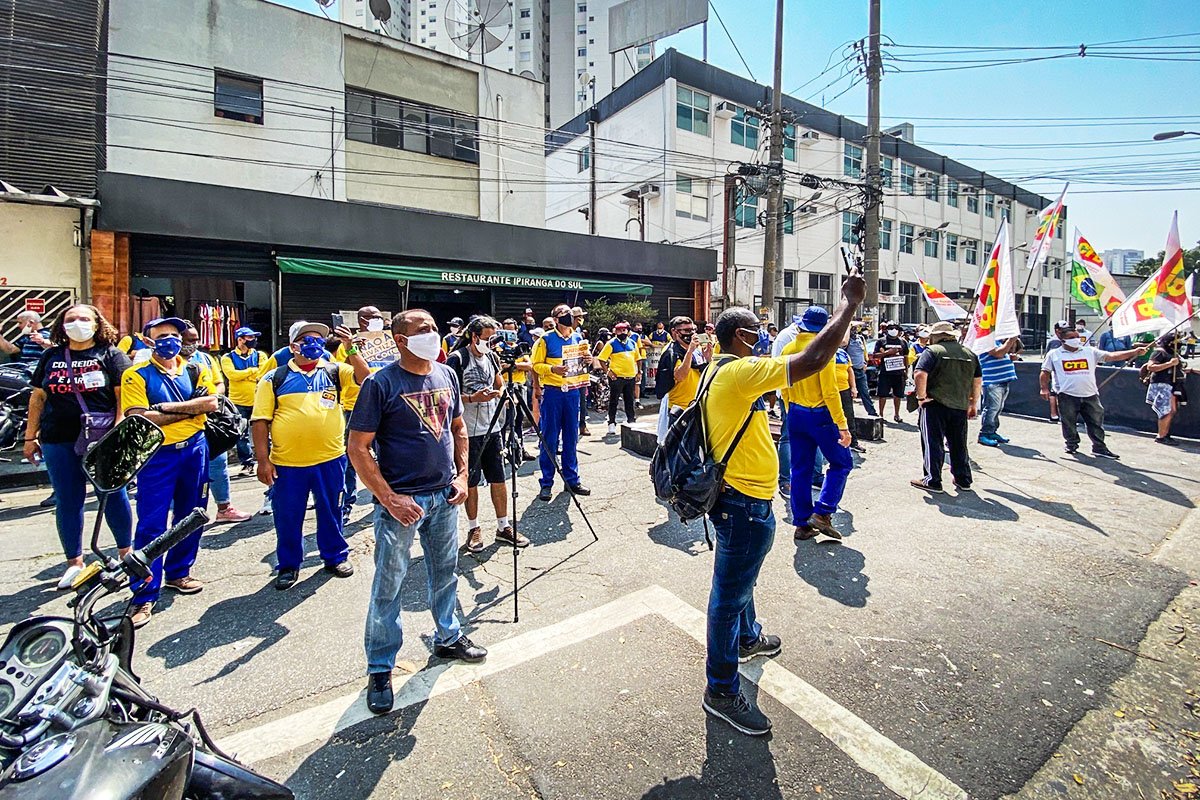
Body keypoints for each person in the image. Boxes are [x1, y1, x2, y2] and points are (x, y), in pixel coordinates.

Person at [699, 272, 864, 737]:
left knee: (739, 577)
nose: (765, 338)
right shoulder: (738, 370)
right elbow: (812, 359)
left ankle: (748, 640)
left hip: (737, 498)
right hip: (742, 503)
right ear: (740, 336)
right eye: (758, 331)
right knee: (727, 598)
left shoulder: (716, 367)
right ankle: (721, 689)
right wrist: (847, 305)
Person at [348, 309, 487, 715]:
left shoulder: (446, 375)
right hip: (402, 504)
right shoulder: (380, 383)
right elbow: (358, 448)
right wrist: (390, 498)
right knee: (389, 585)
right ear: (400, 339)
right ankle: (380, 666)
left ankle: (448, 636)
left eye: (435, 327)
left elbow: (457, 429)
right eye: (422, 329)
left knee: (446, 573)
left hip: (444, 497)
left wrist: (462, 478)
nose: (433, 333)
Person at [120, 317, 220, 628]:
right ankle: (144, 593)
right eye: (162, 335)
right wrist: (190, 407)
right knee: (152, 523)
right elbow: (141, 420)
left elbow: (212, 402)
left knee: (191, 516)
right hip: (158, 455)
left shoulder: (194, 367)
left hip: (195, 449)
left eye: (174, 335)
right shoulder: (136, 375)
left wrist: (165, 408)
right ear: (148, 341)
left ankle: (180, 572)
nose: (170, 340)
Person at [24, 304, 133, 589]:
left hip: (102, 439)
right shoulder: (51, 356)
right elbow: (38, 398)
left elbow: (124, 398)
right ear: (61, 325)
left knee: (112, 495)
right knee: (67, 500)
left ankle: (126, 553)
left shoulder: (111, 355)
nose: (78, 323)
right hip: (57, 438)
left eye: (85, 319)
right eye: (71, 319)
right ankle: (74, 562)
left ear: (97, 324)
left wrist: (118, 432)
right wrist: (29, 436)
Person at [253, 321, 368, 589]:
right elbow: (259, 422)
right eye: (306, 339)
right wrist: (262, 460)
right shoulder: (274, 378)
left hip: (330, 459)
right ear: (293, 346)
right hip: (288, 463)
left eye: (319, 339)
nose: (313, 343)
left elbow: (364, 378)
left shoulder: (334, 371)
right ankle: (289, 565)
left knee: (332, 510)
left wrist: (350, 349)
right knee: (288, 515)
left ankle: (335, 556)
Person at [446, 316, 529, 552]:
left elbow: (499, 381)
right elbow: (448, 397)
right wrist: (473, 398)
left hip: (492, 427)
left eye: (494, 338)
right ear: (474, 337)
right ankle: (474, 527)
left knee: (498, 477)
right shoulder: (457, 359)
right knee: (471, 481)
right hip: (466, 430)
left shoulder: (492, 356)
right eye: (487, 338)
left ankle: (503, 526)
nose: (491, 343)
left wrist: (504, 395)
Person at [780, 306, 854, 539]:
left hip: (796, 412)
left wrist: (790, 407)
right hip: (820, 414)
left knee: (799, 469)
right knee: (842, 463)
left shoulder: (788, 348)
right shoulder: (824, 351)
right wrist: (842, 425)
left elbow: (784, 384)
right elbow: (830, 392)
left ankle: (802, 523)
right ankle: (823, 511)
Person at [332, 306, 396, 526]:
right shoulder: (347, 343)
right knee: (353, 456)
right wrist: (352, 348)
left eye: (379, 317)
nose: (376, 321)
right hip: (355, 404)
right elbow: (350, 371)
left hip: (385, 403)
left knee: (386, 453)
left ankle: (384, 496)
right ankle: (347, 503)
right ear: (361, 321)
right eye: (371, 318)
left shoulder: (389, 340)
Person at [1039, 327, 1147, 458]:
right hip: (1067, 395)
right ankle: (1071, 444)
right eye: (1072, 337)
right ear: (1063, 340)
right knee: (1068, 422)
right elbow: (1045, 372)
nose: (1076, 340)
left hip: (1090, 394)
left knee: (1095, 422)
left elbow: (1111, 356)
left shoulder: (1089, 351)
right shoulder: (1054, 354)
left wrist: (1134, 352)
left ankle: (1099, 447)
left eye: (1077, 336)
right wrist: (1044, 388)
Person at [183, 322, 250, 523]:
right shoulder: (167, 362)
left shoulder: (205, 358)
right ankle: (184, 517)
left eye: (196, 340)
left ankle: (224, 508)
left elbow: (220, 383)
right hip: (180, 426)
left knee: (217, 464)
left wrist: (210, 396)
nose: (194, 344)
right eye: (189, 340)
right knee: (186, 472)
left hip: (209, 422)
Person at [910, 322, 982, 493]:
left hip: (935, 404)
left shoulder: (933, 351)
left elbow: (920, 374)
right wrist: (973, 404)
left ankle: (932, 480)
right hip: (960, 405)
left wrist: (920, 398)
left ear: (936, 336)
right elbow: (977, 381)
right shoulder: (970, 354)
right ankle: (963, 479)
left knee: (933, 443)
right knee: (958, 443)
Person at [530, 303, 591, 501]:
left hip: (573, 391)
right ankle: (546, 482)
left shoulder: (577, 338)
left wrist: (588, 360)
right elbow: (535, 365)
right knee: (549, 437)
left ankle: (572, 480)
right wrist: (552, 370)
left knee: (572, 437)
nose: (568, 316)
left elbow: (583, 362)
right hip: (554, 392)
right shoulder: (545, 340)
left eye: (570, 313)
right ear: (555, 319)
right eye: (563, 314)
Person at [220, 326, 268, 477]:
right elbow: (232, 375)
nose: (253, 340)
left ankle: (267, 460)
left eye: (253, 337)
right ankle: (247, 463)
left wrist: (245, 374)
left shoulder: (260, 355)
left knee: (265, 431)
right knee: (241, 434)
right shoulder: (227, 357)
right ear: (240, 340)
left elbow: (264, 373)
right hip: (238, 402)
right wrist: (252, 371)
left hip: (259, 400)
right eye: (249, 338)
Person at [655, 316, 710, 442]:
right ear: (674, 332)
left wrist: (708, 358)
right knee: (678, 452)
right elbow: (680, 376)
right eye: (686, 330)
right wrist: (690, 351)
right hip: (679, 410)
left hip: (696, 406)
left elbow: (702, 373)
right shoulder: (671, 352)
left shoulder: (697, 351)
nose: (690, 333)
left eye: (692, 330)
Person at [1145, 331, 1193, 445]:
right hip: (1161, 384)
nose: (1179, 343)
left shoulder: (1174, 353)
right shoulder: (1159, 352)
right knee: (1165, 411)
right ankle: (1161, 436)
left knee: (1172, 410)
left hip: (1171, 384)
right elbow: (1150, 366)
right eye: (1176, 341)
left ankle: (1165, 433)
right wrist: (1170, 364)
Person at [977, 336, 1022, 447]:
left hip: (1002, 380)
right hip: (992, 381)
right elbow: (998, 354)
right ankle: (984, 434)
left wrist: (1010, 357)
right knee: (992, 408)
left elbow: (1002, 354)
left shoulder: (997, 342)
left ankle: (992, 432)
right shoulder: (986, 341)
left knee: (997, 408)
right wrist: (1011, 339)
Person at [598, 322, 641, 435]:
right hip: (617, 378)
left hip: (630, 376)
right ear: (615, 332)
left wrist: (639, 372)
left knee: (629, 400)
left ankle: (631, 420)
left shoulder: (632, 343)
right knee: (614, 401)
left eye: (624, 330)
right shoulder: (611, 344)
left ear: (627, 331)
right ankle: (611, 423)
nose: (622, 332)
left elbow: (638, 358)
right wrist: (608, 371)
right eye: (619, 330)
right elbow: (601, 359)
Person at [873, 323, 910, 422]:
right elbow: (875, 355)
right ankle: (881, 414)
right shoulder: (881, 341)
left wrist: (906, 371)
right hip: (885, 372)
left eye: (895, 328)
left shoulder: (903, 342)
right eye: (891, 328)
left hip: (899, 372)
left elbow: (906, 357)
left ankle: (897, 414)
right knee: (883, 394)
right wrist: (887, 353)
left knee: (898, 395)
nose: (893, 330)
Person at [835, 339, 865, 454]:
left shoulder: (843, 354)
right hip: (829, 392)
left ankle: (853, 442)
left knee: (849, 416)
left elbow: (850, 370)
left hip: (844, 390)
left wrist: (853, 387)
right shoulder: (824, 353)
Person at [846, 323, 878, 417]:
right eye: (853, 328)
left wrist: (865, 362)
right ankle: (849, 415)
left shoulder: (860, 338)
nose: (855, 330)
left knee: (865, 393)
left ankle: (872, 413)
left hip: (860, 370)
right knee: (849, 395)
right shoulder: (846, 340)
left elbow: (864, 352)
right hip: (850, 371)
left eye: (856, 328)